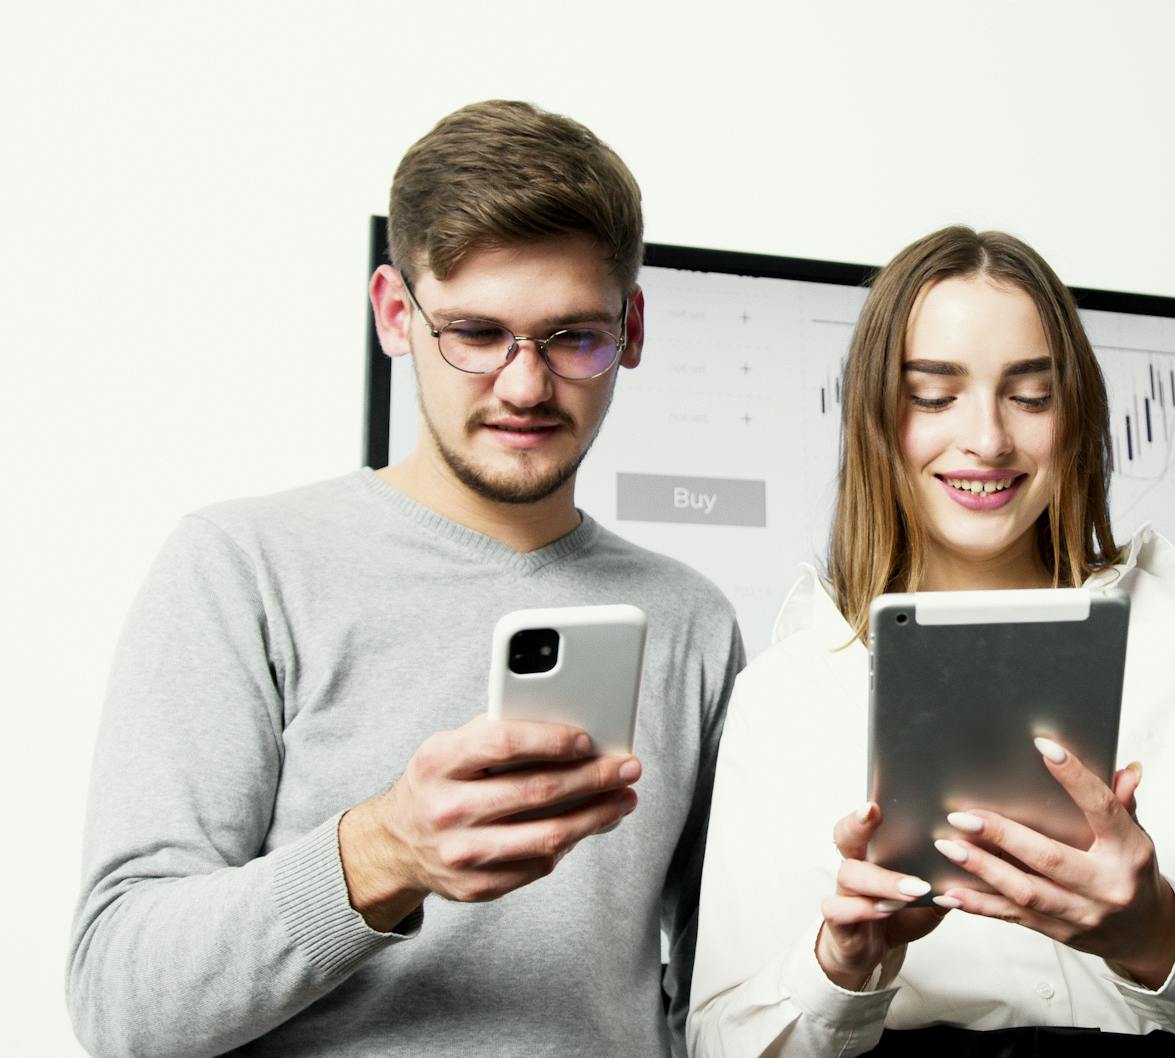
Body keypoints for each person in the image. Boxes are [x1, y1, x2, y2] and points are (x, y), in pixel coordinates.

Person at [67, 100, 742, 1057]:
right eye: (474, 333)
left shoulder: (691, 621)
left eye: (573, 338)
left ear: (631, 328)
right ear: (395, 314)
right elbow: (119, 1004)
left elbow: (716, 995)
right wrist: (383, 852)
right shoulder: (242, 568)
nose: (524, 385)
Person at [688, 226, 1175, 1057]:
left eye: (1030, 397)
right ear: (876, 417)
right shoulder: (789, 686)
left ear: (1075, 416)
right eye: (933, 396)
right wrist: (843, 966)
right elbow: (718, 1042)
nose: (988, 439)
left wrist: (1154, 931)